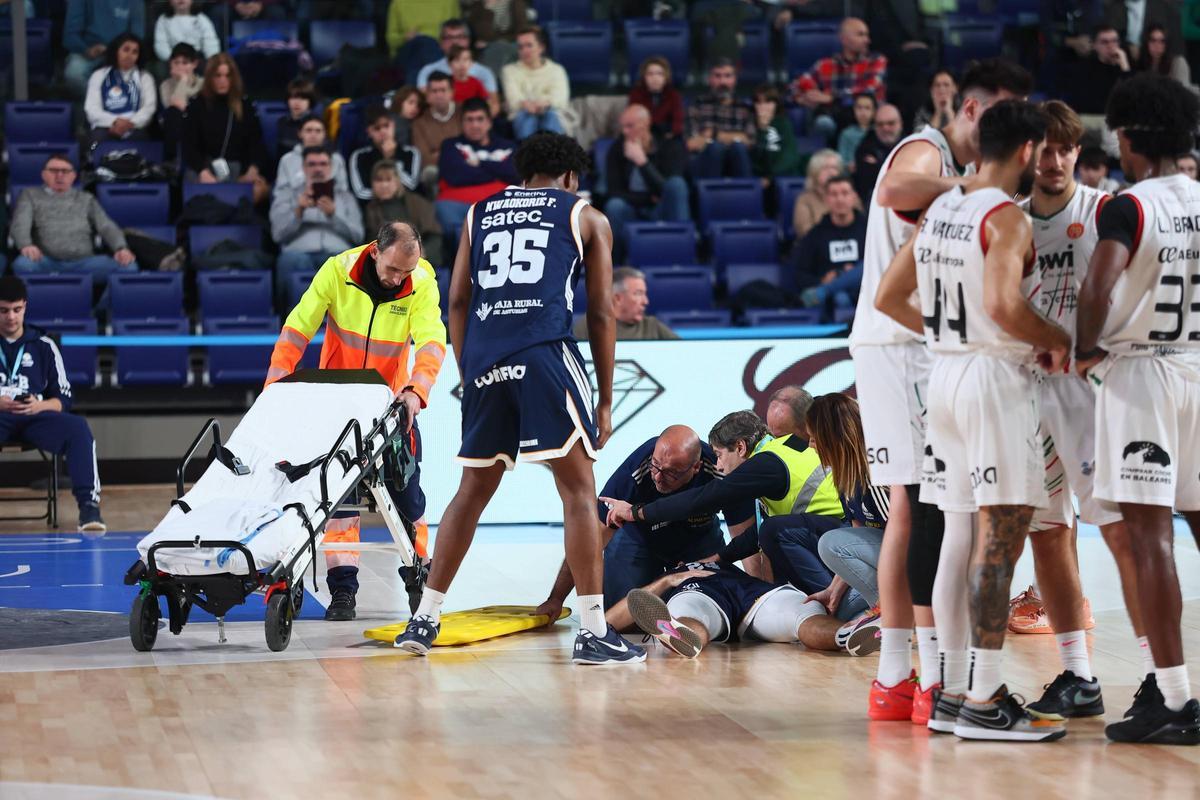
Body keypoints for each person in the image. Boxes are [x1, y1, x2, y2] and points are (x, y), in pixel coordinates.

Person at [393, 132, 648, 666]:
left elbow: (457, 300)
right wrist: (604, 400)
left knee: (471, 492)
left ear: (523, 172)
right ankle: (593, 631)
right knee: (579, 491)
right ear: (571, 177)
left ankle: (425, 617)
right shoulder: (584, 215)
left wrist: (471, 367)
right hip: (545, 353)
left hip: (486, 358)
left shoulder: (477, 213)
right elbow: (602, 312)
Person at [876, 98, 1070, 742]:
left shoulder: (940, 210)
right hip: (992, 380)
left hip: (945, 378)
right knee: (1001, 538)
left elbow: (888, 296)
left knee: (957, 533)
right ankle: (985, 698)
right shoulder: (1003, 216)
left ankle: (953, 692)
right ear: (1026, 151)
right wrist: (1055, 337)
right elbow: (1003, 306)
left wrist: (949, 336)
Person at [850, 58, 1032, 727]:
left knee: (923, 511)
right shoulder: (926, 148)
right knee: (917, 509)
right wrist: (966, 183)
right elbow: (895, 187)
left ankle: (903, 678)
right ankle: (916, 676)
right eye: (1002, 114)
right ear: (973, 111)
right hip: (900, 349)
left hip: (912, 348)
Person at [1076, 73, 1200, 744]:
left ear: (1130, 138)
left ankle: (1175, 700)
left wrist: (1083, 349)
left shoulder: (1128, 206)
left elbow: (1097, 290)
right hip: (1197, 366)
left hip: (1144, 377)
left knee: (1152, 538)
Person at [1007, 101, 1140, 721]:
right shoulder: (1010, 222)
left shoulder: (1105, 210)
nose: (1055, 160)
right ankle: (1079, 675)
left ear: (1078, 154)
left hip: (1092, 393)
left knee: (1121, 531)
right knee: (1048, 533)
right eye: (1045, 149)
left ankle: (1161, 675)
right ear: (1027, 154)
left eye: (1065, 149)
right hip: (1030, 393)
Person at [266, 222, 446, 620]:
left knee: (408, 501)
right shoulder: (337, 271)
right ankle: (343, 591)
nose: (398, 278)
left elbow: (432, 341)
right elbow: (297, 329)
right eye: (393, 269)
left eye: (406, 271)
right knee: (339, 504)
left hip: (391, 407)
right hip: (336, 404)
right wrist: (274, 389)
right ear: (375, 251)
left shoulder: (421, 282)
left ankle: (420, 574)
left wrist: (417, 390)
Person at [604, 404, 846, 602]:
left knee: (774, 532)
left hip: (834, 535)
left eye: (719, 455)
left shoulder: (764, 463)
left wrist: (636, 512)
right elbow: (756, 535)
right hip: (837, 530)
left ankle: (835, 604)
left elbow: (702, 499)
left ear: (740, 447)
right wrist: (718, 559)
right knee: (772, 530)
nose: (718, 466)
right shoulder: (785, 446)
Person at [539, 425, 755, 612]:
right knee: (626, 616)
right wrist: (556, 599)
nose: (659, 478)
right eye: (656, 465)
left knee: (713, 603)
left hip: (699, 538)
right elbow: (588, 543)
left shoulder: (720, 471)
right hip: (639, 537)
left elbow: (746, 541)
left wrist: (763, 598)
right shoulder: (636, 470)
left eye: (671, 473)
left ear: (696, 467)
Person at [0, 276, 105, 534]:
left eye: (16, 309)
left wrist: (40, 405)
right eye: (3, 310)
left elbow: (64, 399)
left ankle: (89, 508)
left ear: (25, 306)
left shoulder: (44, 344)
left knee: (77, 428)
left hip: (36, 417)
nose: (11, 317)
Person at [608, 560, 858, 659]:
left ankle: (848, 634)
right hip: (698, 591)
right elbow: (609, 621)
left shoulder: (724, 560)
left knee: (803, 612)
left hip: (753, 593)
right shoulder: (670, 575)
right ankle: (680, 634)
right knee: (691, 614)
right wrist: (666, 580)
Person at [805, 394, 890, 650]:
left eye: (813, 438)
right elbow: (858, 534)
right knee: (841, 612)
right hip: (890, 557)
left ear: (832, 437)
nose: (810, 446)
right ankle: (882, 615)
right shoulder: (845, 473)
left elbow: (908, 536)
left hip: (916, 560)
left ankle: (891, 615)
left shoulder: (877, 470)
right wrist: (833, 590)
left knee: (830, 543)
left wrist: (886, 601)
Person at [12, 154, 137, 287]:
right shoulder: (30, 195)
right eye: (53, 170)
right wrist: (25, 244)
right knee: (22, 265)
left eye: (65, 171)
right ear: (43, 174)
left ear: (73, 176)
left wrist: (120, 248)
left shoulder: (86, 198)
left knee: (128, 267)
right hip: (45, 261)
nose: (60, 175)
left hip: (85, 263)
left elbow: (106, 226)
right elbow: (20, 223)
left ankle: (99, 302)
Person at [269, 146, 365, 303]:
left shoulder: (345, 197)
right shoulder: (288, 196)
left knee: (346, 263)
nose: (318, 169)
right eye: (312, 164)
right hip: (299, 254)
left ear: (331, 167)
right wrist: (298, 212)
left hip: (337, 253)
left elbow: (358, 236)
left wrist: (334, 216)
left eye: (323, 164)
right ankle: (290, 316)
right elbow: (277, 235)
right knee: (290, 260)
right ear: (303, 168)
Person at [602, 104, 690, 263]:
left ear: (645, 124)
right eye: (623, 127)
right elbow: (614, 192)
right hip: (632, 208)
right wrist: (648, 198)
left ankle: (682, 256)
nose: (624, 132)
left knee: (677, 184)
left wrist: (642, 162)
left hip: (661, 209)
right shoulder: (617, 149)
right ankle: (615, 266)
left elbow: (669, 190)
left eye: (630, 126)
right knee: (614, 206)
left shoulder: (667, 144)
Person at [182, 54, 270, 205]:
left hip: (238, 169)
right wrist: (203, 171)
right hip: (205, 167)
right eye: (218, 76)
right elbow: (189, 146)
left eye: (227, 76)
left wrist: (253, 169)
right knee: (193, 181)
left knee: (260, 187)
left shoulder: (245, 105)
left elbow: (256, 143)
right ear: (210, 78)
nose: (223, 80)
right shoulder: (197, 105)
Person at [433, 98, 518, 249]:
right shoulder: (450, 145)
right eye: (469, 120)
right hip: (458, 206)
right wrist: (497, 173)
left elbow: (515, 173)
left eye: (480, 119)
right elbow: (456, 176)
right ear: (461, 123)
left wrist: (480, 163)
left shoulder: (509, 146)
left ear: (489, 122)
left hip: (501, 206)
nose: (475, 125)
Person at [790, 17, 887, 142]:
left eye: (867, 35)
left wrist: (832, 98)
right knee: (823, 117)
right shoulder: (825, 65)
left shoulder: (876, 61)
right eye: (860, 35)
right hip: (834, 124)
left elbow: (869, 89)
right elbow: (793, 88)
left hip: (868, 125)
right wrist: (803, 98)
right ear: (843, 39)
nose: (867, 40)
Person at [796, 174, 867, 314]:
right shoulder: (815, 235)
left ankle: (826, 290)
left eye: (845, 193)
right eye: (834, 194)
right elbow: (800, 274)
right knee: (841, 297)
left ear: (854, 197)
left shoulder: (869, 229)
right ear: (826, 199)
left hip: (865, 289)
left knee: (865, 266)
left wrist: (850, 273)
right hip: (834, 300)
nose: (840, 199)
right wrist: (822, 280)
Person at [363, 160, 442, 268]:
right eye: (379, 180)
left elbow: (435, 235)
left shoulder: (417, 203)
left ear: (397, 181)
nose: (384, 185)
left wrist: (421, 252)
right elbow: (371, 242)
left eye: (388, 179)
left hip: (424, 260)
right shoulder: (370, 210)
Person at [685, 58, 754, 179]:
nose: (723, 82)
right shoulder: (697, 105)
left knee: (738, 149)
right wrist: (734, 137)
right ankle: (710, 190)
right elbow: (692, 144)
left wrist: (713, 135)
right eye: (717, 76)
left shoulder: (745, 108)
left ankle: (744, 190)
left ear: (735, 79)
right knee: (716, 148)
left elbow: (749, 143)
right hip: (705, 164)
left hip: (737, 162)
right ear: (710, 79)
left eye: (728, 76)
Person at [83, 33, 156, 144]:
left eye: (134, 52)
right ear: (116, 51)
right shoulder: (98, 75)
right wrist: (114, 121)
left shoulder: (145, 77)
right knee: (95, 141)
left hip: (134, 127)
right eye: (126, 50)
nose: (129, 55)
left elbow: (149, 109)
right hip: (105, 126)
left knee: (142, 139)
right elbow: (91, 109)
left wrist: (130, 123)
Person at [500, 26, 570, 140]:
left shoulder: (557, 70)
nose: (524, 50)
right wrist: (527, 104)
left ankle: (549, 148)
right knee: (527, 117)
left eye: (529, 45)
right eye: (520, 47)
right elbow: (513, 99)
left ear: (541, 47)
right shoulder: (509, 71)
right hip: (522, 115)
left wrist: (543, 103)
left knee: (550, 115)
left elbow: (561, 99)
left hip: (552, 113)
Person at [63, 0, 145, 97]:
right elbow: (70, 35)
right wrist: (86, 50)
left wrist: (116, 51)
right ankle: (99, 102)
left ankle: (112, 102)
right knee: (74, 73)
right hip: (87, 51)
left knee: (135, 77)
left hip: (121, 52)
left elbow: (137, 38)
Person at [572, 267, 679, 341]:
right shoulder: (589, 325)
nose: (645, 301)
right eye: (638, 294)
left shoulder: (652, 326)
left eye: (644, 294)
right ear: (618, 298)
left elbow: (682, 352)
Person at [350, 105, 422, 200]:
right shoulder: (359, 156)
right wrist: (386, 196)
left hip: (405, 205)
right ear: (369, 132)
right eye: (377, 128)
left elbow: (411, 186)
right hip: (374, 206)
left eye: (386, 126)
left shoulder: (411, 152)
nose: (383, 131)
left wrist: (391, 158)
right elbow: (360, 192)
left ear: (393, 126)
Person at [414, 18, 499, 94]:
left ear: (468, 41)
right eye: (449, 37)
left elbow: (493, 104)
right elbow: (423, 103)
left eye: (460, 37)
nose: (455, 42)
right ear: (440, 43)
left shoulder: (484, 73)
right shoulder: (428, 71)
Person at [411, 72, 462, 190]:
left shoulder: (464, 112)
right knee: (430, 172)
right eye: (434, 91)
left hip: (468, 167)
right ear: (428, 94)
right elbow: (424, 159)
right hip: (437, 174)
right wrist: (457, 153)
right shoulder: (419, 122)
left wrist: (438, 153)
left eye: (443, 90)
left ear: (452, 92)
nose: (439, 95)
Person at [274, 114, 349, 194]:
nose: (313, 135)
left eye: (318, 131)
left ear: (324, 134)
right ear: (300, 134)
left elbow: (343, 191)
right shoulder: (287, 160)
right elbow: (280, 193)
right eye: (308, 130)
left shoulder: (336, 159)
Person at [792, 149, 853, 240]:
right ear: (814, 172)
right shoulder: (805, 200)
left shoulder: (850, 195)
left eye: (834, 168)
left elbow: (861, 226)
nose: (831, 172)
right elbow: (805, 232)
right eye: (825, 168)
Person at [1069, 25, 1132, 115]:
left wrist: (1125, 68)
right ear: (1095, 45)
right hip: (1094, 117)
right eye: (1104, 42)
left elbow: (1132, 98)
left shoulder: (1125, 66)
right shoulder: (1084, 70)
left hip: (1120, 118)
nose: (1111, 46)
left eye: (1114, 41)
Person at [750, 84, 801, 188]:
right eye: (759, 103)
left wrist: (770, 177)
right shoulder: (749, 124)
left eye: (768, 102)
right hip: (758, 180)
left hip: (781, 177)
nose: (763, 107)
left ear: (776, 104)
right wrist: (762, 129)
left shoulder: (783, 124)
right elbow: (754, 158)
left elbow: (789, 156)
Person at [852, 102, 904, 203]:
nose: (885, 128)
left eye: (891, 123)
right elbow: (866, 180)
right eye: (880, 124)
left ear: (900, 124)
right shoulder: (864, 147)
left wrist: (879, 165)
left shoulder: (910, 145)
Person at [160, 43, 203, 163]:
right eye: (176, 62)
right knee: (173, 114)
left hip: (199, 125)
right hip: (176, 125)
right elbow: (175, 106)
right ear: (171, 64)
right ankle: (171, 163)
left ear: (195, 64)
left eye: (185, 63)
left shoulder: (203, 84)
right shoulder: (166, 85)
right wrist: (183, 81)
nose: (180, 67)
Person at [628, 56, 685, 139]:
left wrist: (672, 133)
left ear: (666, 77)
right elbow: (633, 120)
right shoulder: (636, 94)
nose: (655, 78)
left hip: (667, 136)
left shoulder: (673, 95)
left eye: (659, 74)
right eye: (650, 74)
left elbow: (678, 121)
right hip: (642, 135)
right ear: (644, 77)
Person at [153, 0, 219, 62]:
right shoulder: (163, 20)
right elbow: (161, 43)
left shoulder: (201, 19)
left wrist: (212, 59)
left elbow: (210, 41)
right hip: (172, 58)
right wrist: (173, 60)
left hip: (197, 58)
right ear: (170, 1)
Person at [277, 79, 319, 162]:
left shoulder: (317, 123)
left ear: (310, 101)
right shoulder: (282, 122)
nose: (297, 103)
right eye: (293, 98)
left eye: (302, 98)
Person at [447, 44, 495, 116]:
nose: (462, 64)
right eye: (457, 60)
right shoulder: (446, 83)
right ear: (449, 64)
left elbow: (487, 103)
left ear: (471, 63)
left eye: (466, 60)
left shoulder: (476, 83)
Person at [837, 93, 876, 170]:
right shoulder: (846, 134)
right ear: (854, 110)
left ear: (874, 111)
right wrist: (848, 165)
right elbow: (841, 160)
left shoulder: (878, 132)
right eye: (859, 108)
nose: (863, 112)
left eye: (867, 108)